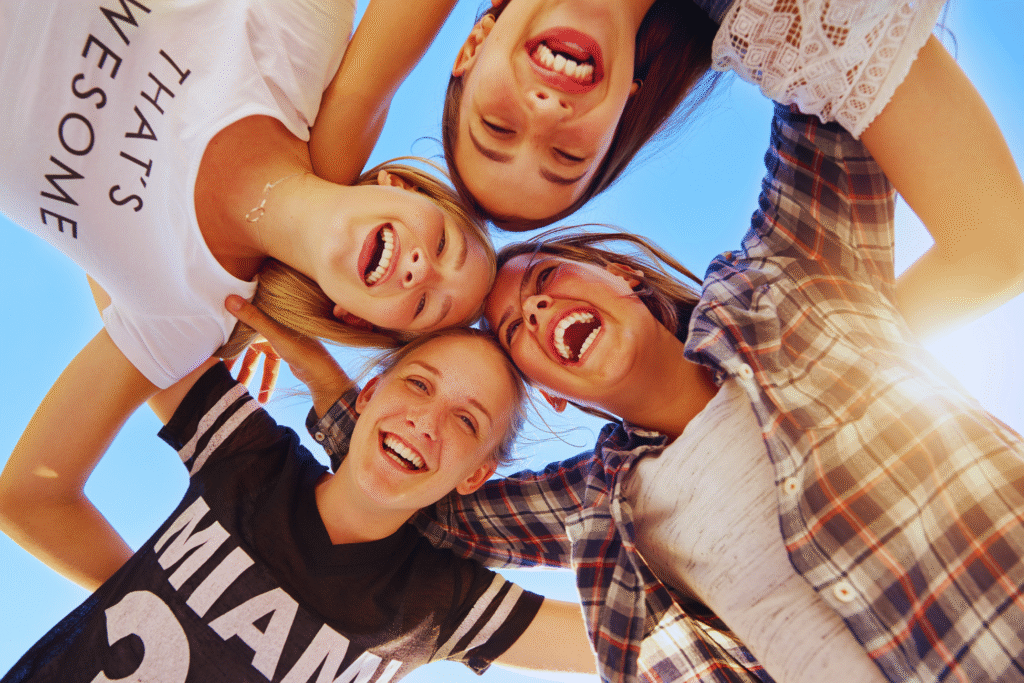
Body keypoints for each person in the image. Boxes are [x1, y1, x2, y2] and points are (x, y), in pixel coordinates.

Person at [308, 32, 1024, 683]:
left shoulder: (785, 277)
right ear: (552, 390)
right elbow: (428, 486)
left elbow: (834, 74)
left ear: (620, 276)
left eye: (547, 279)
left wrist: (638, 35)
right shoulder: (597, 506)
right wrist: (311, 352)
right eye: (516, 331)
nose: (536, 310)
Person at [0, 0, 494, 589]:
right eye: (443, 245)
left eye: (421, 308)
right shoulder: (299, 39)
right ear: (405, 187)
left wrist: (179, 614)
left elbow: (31, 496)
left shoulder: (186, 319)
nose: (420, 271)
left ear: (355, 319)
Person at [0, 325, 597, 683]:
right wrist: (148, 593)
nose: (426, 421)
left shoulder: (442, 601)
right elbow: (128, 275)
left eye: (467, 421)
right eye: (418, 383)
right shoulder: (249, 457)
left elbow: (652, 647)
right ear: (366, 395)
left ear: (477, 475)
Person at [441, 0, 948, 230]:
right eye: (568, 154)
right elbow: (996, 248)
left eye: (498, 128)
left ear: (473, 46)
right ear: (625, 106)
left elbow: (360, 98)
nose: (546, 113)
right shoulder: (789, 27)